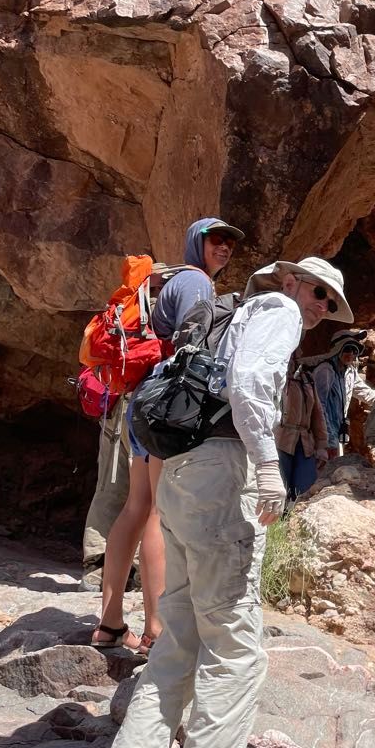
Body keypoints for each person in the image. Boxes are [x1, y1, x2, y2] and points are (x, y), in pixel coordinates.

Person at [89, 255, 353, 748]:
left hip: (181, 477)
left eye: (327, 303)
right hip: (223, 479)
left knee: (177, 644)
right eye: (316, 292)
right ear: (288, 281)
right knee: (235, 651)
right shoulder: (277, 310)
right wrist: (267, 467)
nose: (316, 307)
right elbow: (253, 383)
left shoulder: (227, 315)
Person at [89, 219, 243, 653]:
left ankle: (111, 622)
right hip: (166, 407)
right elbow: (192, 348)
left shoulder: (172, 281)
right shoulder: (196, 283)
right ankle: (157, 630)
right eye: (216, 240)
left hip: (143, 402)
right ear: (197, 242)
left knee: (136, 507)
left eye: (229, 242)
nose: (225, 247)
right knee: (158, 511)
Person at [275, 351, 330, 505]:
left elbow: (317, 414)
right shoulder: (276, 377)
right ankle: (276, 527)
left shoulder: (306, 379)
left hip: (304, 442)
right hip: (279, 440)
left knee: (306, 491)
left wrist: (321, 446)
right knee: (279, 490)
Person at [312, 329, 373, 456]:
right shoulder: (325, 371)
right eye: (347, 349)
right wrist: (325, 437)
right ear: (337, 349)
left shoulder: (349, 372)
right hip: (321, 437)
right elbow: (318, 406)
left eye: (355, 350)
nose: (351, 354)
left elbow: (366, 394)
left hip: (336, 434)